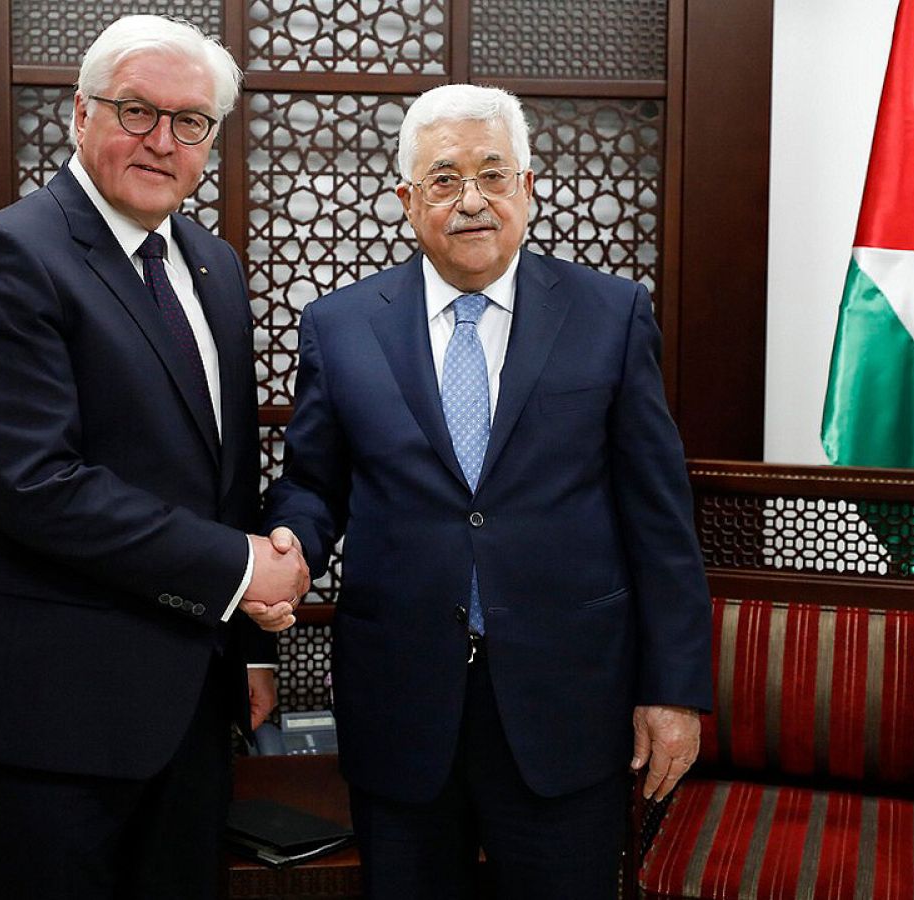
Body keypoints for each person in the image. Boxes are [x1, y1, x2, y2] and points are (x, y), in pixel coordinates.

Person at [263, 83, 713, 898]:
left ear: (529, 187)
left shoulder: (610, 315)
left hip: (566, 701)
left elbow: (660, 518)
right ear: (407, 200)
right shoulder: (340, 325)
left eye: (492, 175)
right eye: (443, 179)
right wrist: (292, 543)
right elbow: (313, 484)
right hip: (402, 699)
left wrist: (673, 690)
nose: (471, 200)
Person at [0, 15, 306, 898]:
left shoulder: (213, 265)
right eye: (136, 111)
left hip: (189, 707)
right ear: (80, 114)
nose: (161, 141)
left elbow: (225, 481)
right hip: (48, 717)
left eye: (190, 121)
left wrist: (248, 647)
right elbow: (37, 487)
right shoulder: (10, 256)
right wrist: (242, 568)